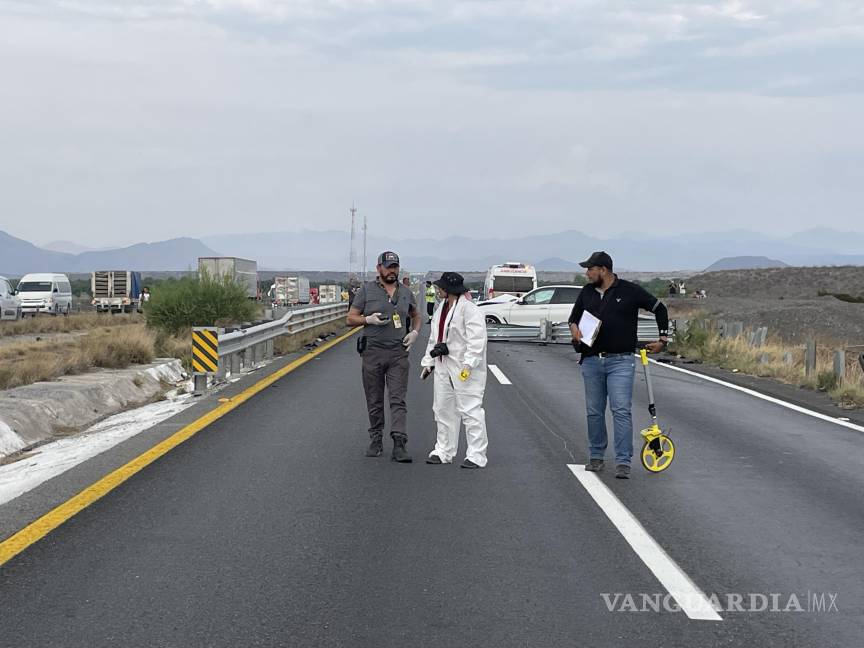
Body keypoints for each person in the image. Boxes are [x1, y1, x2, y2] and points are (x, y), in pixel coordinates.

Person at [568, 251, 669, 479]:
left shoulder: (629, 291)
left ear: (603, 270)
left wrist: (663, 339)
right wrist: (575, 331)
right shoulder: (587, 292)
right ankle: (596, 456)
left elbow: (659, 308)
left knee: (620, 410)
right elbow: (573, 318)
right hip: (592, 360)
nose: (587, 273)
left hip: (620, 361)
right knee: (594, 412)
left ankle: (623, 461)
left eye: (590, 269)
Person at [346, 251, 422, 462]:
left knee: (397, 399)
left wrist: (415, 332)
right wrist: (367, 320)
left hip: (398, 353)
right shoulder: (366, 291)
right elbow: (350, 318)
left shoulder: (406, 292)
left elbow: (417, 315)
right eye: (388, 267)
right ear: (378, 268)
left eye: (395, 267)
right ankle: (376, 438)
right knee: (374, 398)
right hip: (373, 353)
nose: (392, 271)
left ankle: (399, 442)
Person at [420, 272, 489, 469]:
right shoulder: (442, 308)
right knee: (442, 409)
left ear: (448, 290)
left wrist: (468, 364)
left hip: (464, 368)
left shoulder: (469, 310)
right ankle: (444, 451)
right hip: (443, 364)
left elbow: (476, 341)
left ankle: (476, 454)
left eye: (440, 287)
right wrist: (429, 362)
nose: (438, 290)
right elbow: (435, 339)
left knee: (470, 410)